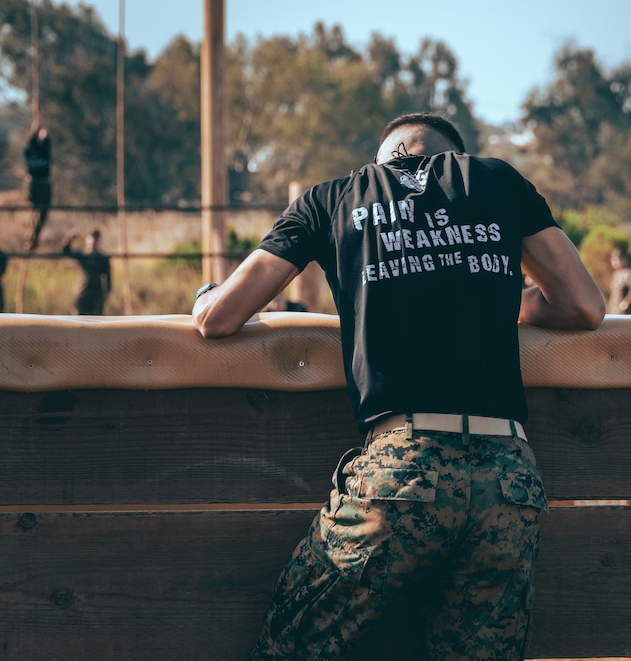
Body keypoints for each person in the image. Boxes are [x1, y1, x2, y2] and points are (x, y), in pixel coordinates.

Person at [193, 112, 605, 660]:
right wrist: (514, 300)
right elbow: (584, 306)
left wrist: (204, 296)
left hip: (405, 472)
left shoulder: (333, 199)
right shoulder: (499, 180)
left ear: (384, 157)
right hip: (510, 481)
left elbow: (220, 318)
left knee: (292, 645)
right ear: (454, 155)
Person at [62, 229, 111, 316]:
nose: (92, 242)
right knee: (78, 321)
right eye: (90, 239)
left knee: (96, 322)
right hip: (82, 292)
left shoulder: (102, 258)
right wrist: (69, 239)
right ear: (86, 240)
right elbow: (65, 252)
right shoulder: (81, 255)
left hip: (96, 294)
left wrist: (107, 292)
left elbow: (108, 276)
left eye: (95, 239)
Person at [24, 126, 52, 251]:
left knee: (40, 214)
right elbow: (44, 138)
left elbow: (45, 138)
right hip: (36, 184)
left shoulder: (33, 151)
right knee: (37, 213)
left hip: (41, 184)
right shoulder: (30, 152)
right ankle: (31, 238)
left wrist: (39, 127)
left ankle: (33, 238)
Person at [607, 245, 631, 315]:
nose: (615, 262)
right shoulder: (615, 274)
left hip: (624, 312)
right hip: (614, 310)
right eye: (613, 260)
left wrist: (627, 301)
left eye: (617, 259)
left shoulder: (627, 274)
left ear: (624, 260)